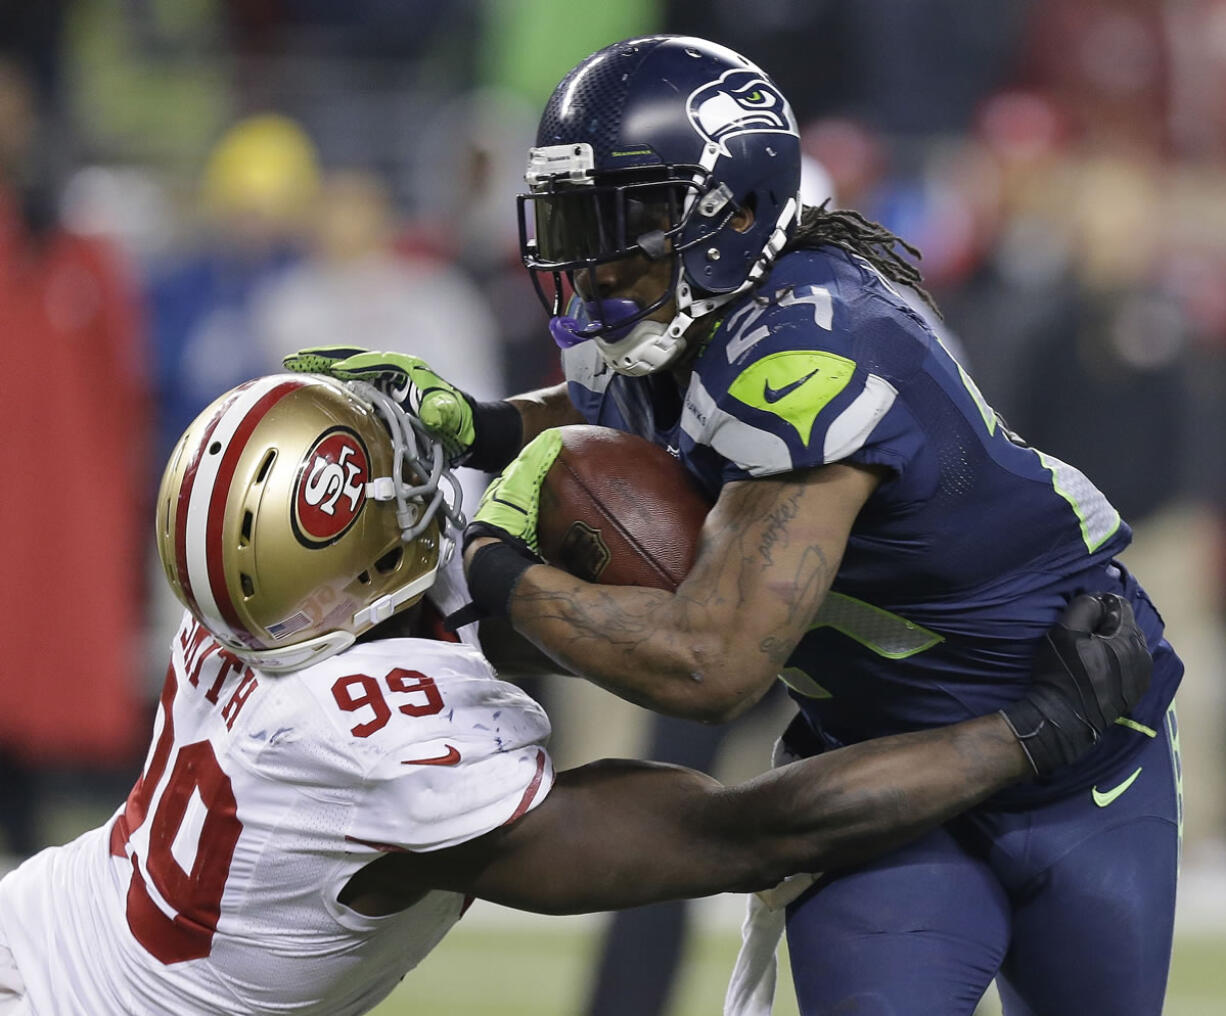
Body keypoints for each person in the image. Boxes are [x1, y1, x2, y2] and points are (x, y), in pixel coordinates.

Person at [285, 34, 1185, 1016]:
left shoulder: (807, 351)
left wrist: (488, 565)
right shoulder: (686, 313)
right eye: (571, 218)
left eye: (620, 217)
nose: (588, 261)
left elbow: (708, 666)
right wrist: (483, 425)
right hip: (875, 769)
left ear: (735, 208)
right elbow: (613, 421)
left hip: (1079, 733)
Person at [0, 373, 1148, 1016]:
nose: (418, 472)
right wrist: (1023, 729)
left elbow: (495, 597)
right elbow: (741, 827)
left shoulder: (261, 612)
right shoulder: (372, 744)